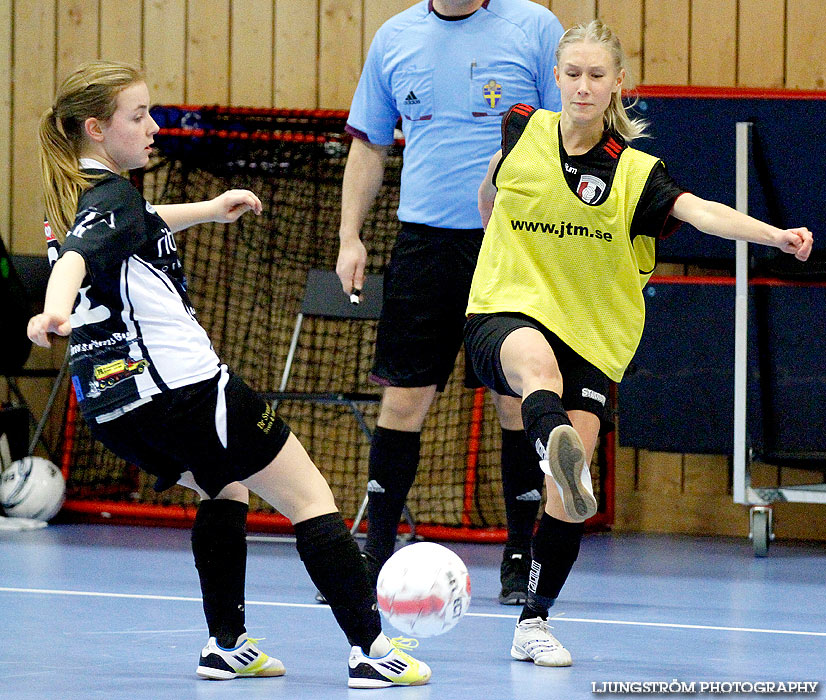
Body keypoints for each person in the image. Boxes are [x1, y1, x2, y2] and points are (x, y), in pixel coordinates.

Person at [29, 60, 431, 690]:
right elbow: (80, 260)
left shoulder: (80, 200)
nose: (153, 125)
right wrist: (52, 311)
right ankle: (373, 649)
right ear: (96, 130)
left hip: (113, 407)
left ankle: (227, 646)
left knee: (227, 490)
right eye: (138, 116)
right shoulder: (110, 200)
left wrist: (211, 209)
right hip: (185, 391)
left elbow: (138, 223)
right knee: (309, 497)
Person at [464, 19, 813, 667]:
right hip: (502, 311)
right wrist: (493, 204)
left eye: (597, 75)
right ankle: (553, 442)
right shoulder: (521, 130)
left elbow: (701, 211)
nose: (583, 86)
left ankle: (533, 622)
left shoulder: (636, 174)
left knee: (570, 495)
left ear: (618, 84)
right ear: (557, 78)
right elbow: (490, 197)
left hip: (591, 338)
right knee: (535, 365)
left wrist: (775, 235)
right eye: (572, 74)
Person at [336, 0, 565, 606]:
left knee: (515, 397)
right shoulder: (395, 38)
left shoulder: (535, 29)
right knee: (404, 397)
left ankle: (521, 558)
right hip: (424, 247)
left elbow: (571, 138)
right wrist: (349, 235)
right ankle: (375, 554)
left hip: (512, 244)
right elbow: (368, 146)